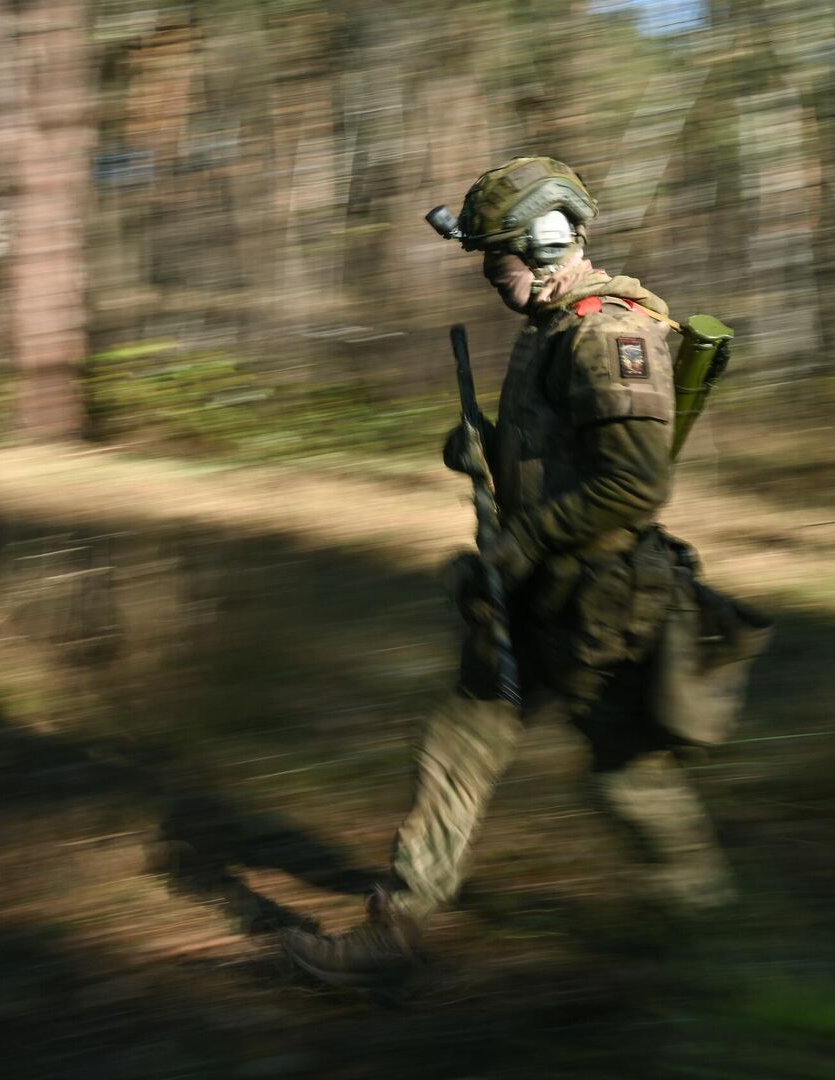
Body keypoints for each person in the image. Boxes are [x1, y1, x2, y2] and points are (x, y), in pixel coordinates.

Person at [281, 157, 739, 986]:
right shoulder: (551, 331)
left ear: (547, 240)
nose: (493, 277)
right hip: (533, 592)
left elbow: (635, 486)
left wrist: (526, 545)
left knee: (629, 778)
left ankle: (708, 938)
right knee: (460, 741)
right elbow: (561, 457)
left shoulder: (611, 335)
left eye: (499, 258)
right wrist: (487, 450)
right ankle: (399, 923)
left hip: (600, 599)